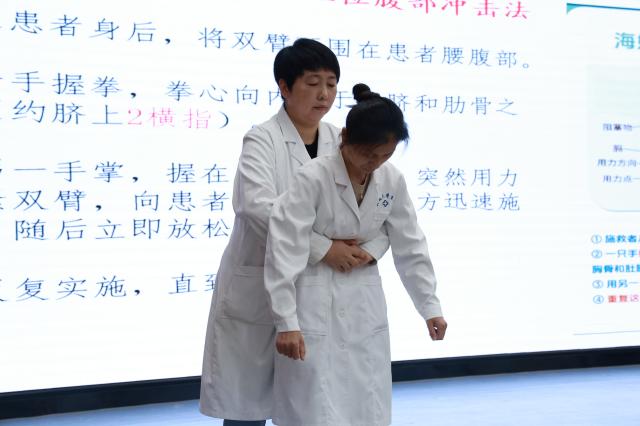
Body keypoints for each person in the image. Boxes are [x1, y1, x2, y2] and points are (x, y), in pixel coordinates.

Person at [199, 40, 390, 426]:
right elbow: (258, 208)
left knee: (315, 406)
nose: (324, 95)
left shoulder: (343, 139)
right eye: (313, 83)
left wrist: (369, 248)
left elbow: (379, 207)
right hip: (260, 285)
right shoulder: (262, 139)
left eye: (331, 84)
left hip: (320, 293)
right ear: (284, 87)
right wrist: (324, 249)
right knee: (249, 408)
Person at [264, 83, 448, 426]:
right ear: (345, 138)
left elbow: (410, 243)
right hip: (312, 298)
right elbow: (284, 248)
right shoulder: (312, 178)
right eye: (367, 154)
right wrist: (286, 323)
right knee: (314, 408)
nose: (373, 164)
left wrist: (430, 307)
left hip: (364, 301)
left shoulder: (391, 179)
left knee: (367, 404)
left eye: (384, 155)